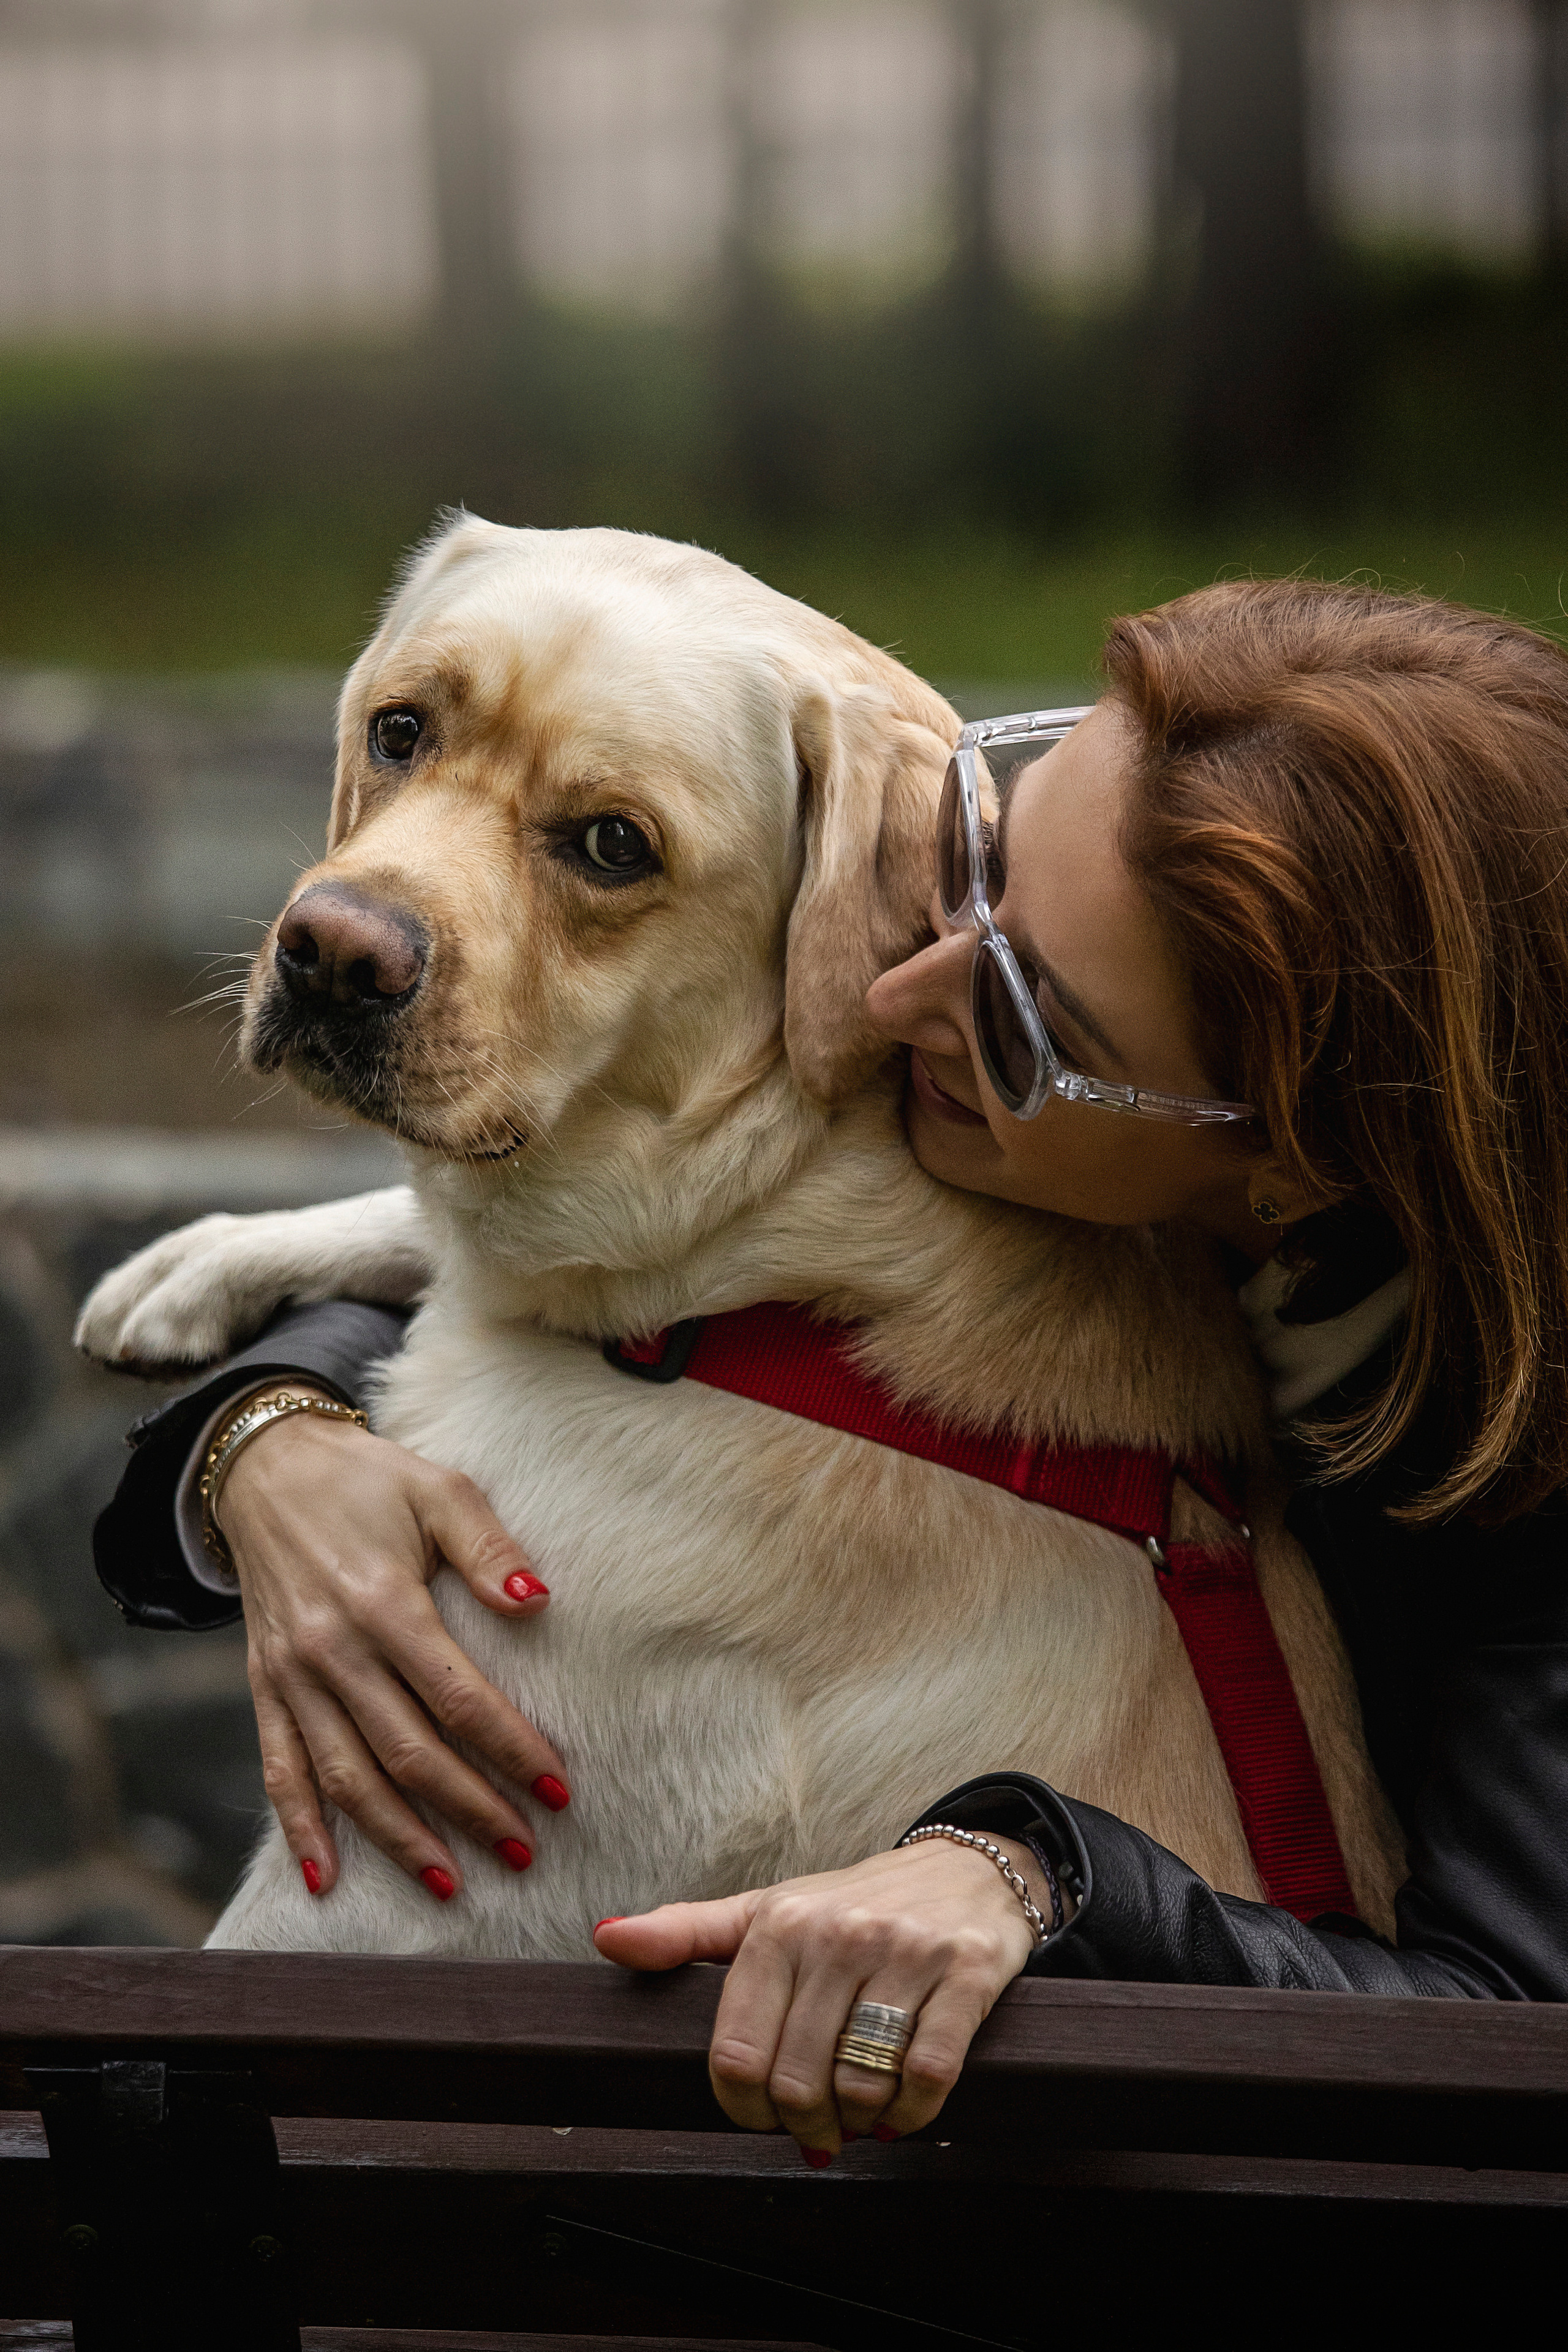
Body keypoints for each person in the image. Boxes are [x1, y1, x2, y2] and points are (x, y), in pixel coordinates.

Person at [95, 578, 1568, 2168]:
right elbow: (656, 1224)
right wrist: (271, 1430)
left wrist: (1041, 1867)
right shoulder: (1113, 1145)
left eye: (1025, 1022)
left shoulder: (1522, 1493)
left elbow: (1494, 2037)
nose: (892, 996)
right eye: (980, 872)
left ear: (1292, 1168)